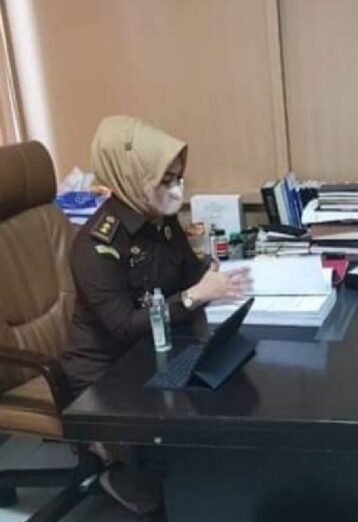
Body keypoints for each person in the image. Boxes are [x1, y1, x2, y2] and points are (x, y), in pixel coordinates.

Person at [61, 115, 251, 514]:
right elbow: (122, 326)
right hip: (106, 369)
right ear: (132, 177)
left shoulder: (160, 222)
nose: (177, 190)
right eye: (165, 181)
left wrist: (213, 276)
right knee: (166, 485)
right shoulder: (95, 245)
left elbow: (189, 271)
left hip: (155, 349)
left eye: (178, 178)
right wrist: (194, 297)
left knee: (224, 397)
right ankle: (112, 466)